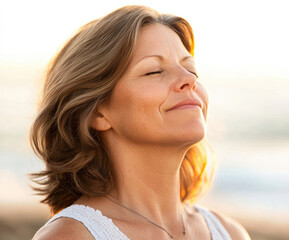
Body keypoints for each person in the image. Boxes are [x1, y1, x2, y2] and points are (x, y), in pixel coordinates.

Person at [31, 5, 250, 240]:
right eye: (154, 71)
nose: (189, 79)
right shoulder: (71, 236)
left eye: (190, 69)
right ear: (98, 113)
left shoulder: (230, 233)